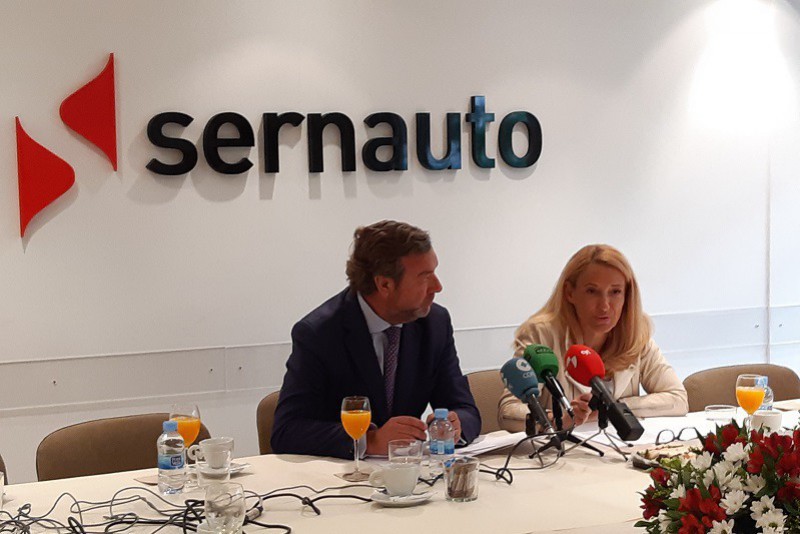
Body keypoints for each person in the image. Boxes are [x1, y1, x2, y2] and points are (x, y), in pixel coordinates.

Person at [271, 220, 481, 458]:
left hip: (412, 471)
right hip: (344, 475)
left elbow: (464, 408)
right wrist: (368, 440)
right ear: (384, 284)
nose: (438, 286)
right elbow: (287, 431)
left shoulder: (435, 324)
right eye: (425, 277)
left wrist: (455, 425)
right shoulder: (320, 333)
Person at [498, 244, 688, 433]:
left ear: (627, 295)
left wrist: (615, 408)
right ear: (570, 293)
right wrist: (556, 420)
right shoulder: (541, 334)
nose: (604, 306)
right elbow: (508, 412)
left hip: (620, 447)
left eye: (615, 292)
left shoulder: (635, 333)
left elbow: (678, 400)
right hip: (561, 449)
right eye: (592, 291)